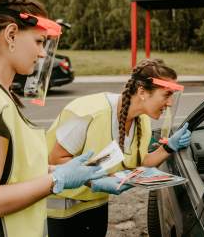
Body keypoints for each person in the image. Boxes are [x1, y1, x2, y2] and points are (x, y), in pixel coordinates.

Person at [0, 0, 105, 237]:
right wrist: (56, 180)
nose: (42, 54)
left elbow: (8, 172)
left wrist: (67, 172)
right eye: (39, 42)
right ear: (11, 34)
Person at [46, 58, 192, 236]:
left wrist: (169, 147)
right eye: (167, 95)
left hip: (96, 205)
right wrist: (94, 181)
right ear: (142, 91)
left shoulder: (142, 120)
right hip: (61, 209)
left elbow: (141, 160)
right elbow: (56, 159)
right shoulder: (92, 112)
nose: (170, 103)